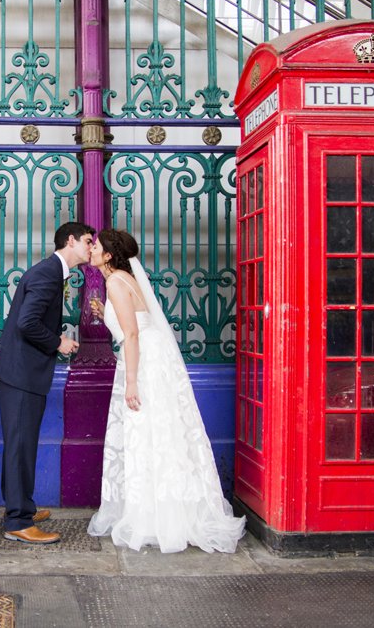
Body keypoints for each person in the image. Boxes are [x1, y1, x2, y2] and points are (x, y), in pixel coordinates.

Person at [86, 228, 246, 553]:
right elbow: (136, 322)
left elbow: (131, 336)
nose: (91, 249)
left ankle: (152, 518)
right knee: (162, 434)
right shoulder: (125, 280)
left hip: (141, 362)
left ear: (108, 256)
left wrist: (131, 382)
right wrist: (107, 315)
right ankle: (168, 511)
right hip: (152, 358)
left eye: (96, 246)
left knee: (145, 432)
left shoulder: (115, 282)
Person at [0, 222, 95, 544]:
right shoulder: (49, 273)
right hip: (22, 373)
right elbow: (27, 323)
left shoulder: (52, 271)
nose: (92, 248)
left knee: (20, 445)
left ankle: (20, 508)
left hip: (21, 372)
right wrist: (58, 342)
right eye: (89, 242)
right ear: (71, 240)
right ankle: (18, 521)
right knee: (21, 446)